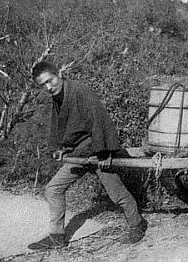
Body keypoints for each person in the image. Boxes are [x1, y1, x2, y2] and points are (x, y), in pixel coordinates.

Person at [28, 61, 147, 250]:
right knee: (53, 189)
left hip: (98, 152)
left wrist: (105, 153)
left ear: (58, 73)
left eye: (50, 81)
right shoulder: (58, 98)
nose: (49, 87)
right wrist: (59, 147)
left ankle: (137, 224)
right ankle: (57, 236)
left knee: (117, 194)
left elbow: (100, 120)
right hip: (79, 154)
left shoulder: (80, 91)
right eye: (43, 85)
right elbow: (60, 126)